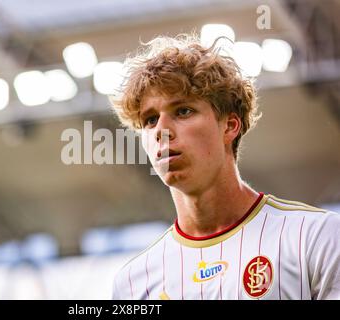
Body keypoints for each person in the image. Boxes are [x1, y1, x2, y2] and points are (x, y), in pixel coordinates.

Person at [109, 34, 340, 300]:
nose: (161, 131)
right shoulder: (132, 283)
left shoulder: (317, 238)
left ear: (230, 125)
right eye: (150, 120)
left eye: (183, 111)